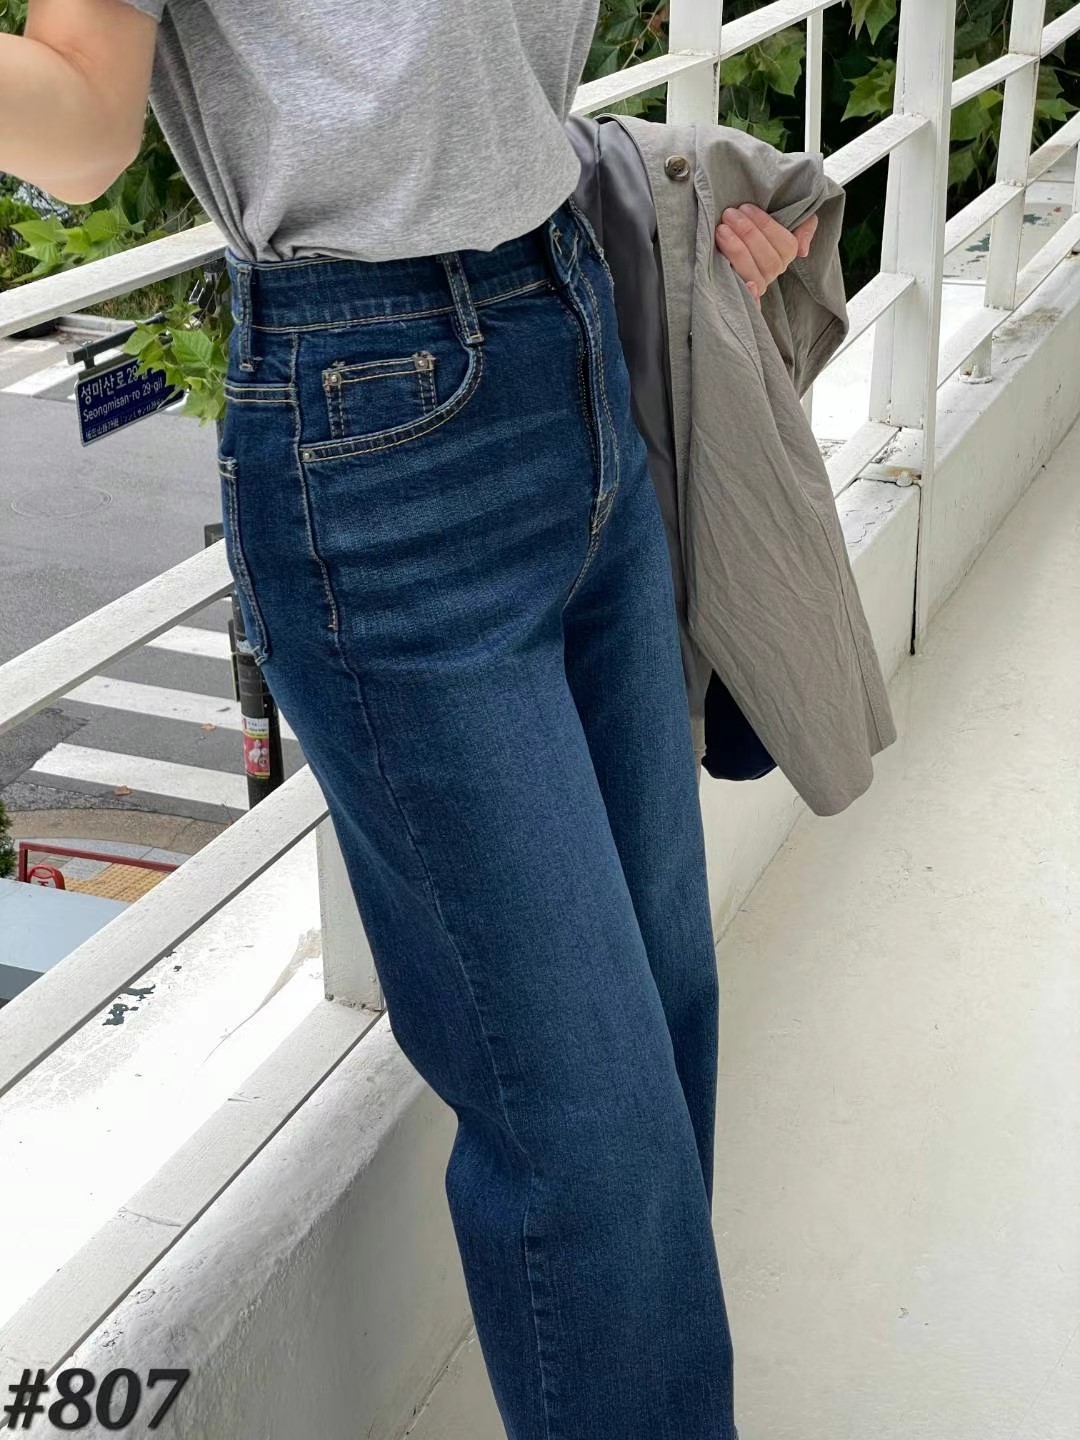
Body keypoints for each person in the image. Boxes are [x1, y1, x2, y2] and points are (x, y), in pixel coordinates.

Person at [2, 4, 816, 1436]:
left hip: (575, 318)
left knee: (664, 1007)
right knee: (585, 1117)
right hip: (372, 427)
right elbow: (78, 125)